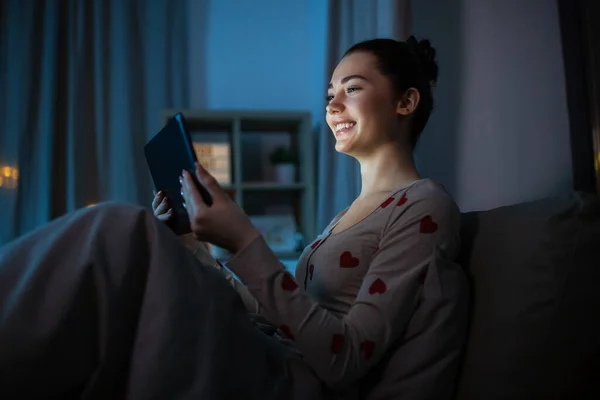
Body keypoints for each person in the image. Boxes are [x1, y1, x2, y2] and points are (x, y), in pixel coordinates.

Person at [0, 36, 469, 399]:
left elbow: (344, 358)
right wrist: (192, 247)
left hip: (292, 384)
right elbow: (278, 314)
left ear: (405, 102)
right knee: (133, 244)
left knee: (119, 230)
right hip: (268, 355)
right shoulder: (346, 217)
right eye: (330, 93)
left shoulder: (423, 206)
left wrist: (245, 240)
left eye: (352, 89)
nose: (332, 105)